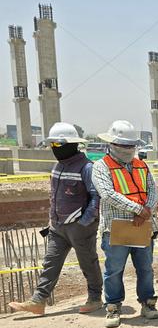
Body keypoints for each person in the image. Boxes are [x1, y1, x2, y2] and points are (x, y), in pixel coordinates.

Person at [9, 123, 102, 316]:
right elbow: (55, 195)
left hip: (79, 226)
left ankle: (95, 298)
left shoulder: (86, 168)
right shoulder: (58, 166)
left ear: (72, 145)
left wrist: (84, 222)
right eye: (52, 145)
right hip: (58, 226)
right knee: (50, 263)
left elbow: (96, 197)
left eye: (58, 146)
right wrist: (52, 220)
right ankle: (38, 300)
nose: (54, 149)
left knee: (88, 262)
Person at [92, 120, 158, 328]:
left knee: (145, 268)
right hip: (116, 228)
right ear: (112, 145)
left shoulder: (142, 165)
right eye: (124, 146)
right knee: (114, 269)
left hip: (143, 226)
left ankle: (148, 303)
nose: (129, 150)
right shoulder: (101, 166)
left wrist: (146, 211)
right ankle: (113, 306)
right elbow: (107, 194)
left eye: (132, 146)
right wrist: (139, 209)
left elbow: (153, 191)